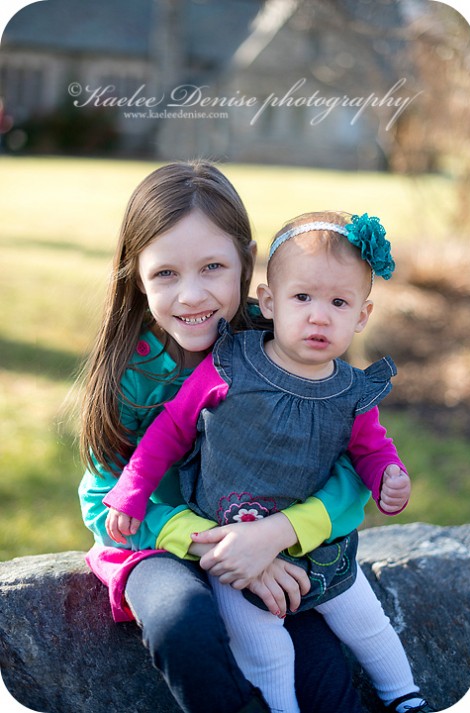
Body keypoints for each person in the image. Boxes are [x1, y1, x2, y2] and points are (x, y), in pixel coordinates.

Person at [104, 210, 435, 713]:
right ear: (270, 301)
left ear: (362, 316)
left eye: (339, 302)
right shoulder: (232, 362)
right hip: (227, 546)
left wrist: (389, 476)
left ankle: (405, 697)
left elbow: (369, 451)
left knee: (362, 624)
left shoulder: (349, 389)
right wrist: (130, 492)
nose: (319, 316)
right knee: (261, 644)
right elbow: (167, 432)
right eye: (303, 298)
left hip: (311, 548)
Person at [78, 162, 372, 713]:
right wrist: (220, 545)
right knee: (182, 623)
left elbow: (354, 468)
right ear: (134, 274)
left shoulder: (286, 347)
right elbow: (101, 496)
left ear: (246, 261)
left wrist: (275, 534)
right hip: (162, 544)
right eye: (166, 273)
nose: (191, 295)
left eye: (212, 266)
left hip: (273, 540)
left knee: (320, 669)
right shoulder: (132, 369)